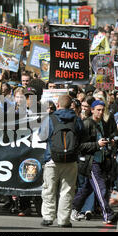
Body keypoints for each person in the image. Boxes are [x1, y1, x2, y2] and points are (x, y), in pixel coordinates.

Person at [38, 94, 84, 228]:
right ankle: (63, 220)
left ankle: (48, 217)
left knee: (49, 189)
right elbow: (82, 135)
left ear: (58, 105)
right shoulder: (76, 119)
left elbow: (41, 136)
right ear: (71, 106)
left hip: (52, 158)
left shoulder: (50, 119)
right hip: (71, 159)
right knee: (67, 190)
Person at [72, 100, 116, 225]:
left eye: (102, 110)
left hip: (101, 160)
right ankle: (108, 214)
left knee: (87, 188)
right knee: (100, 188)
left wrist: (109, 142)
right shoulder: (86, 124)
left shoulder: (102, 123)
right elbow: (79, 146)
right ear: (92, 110)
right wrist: (97, 144)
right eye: (98, 109)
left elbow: (104, 138)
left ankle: (74, 209)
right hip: (91, 162)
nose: (101, 112)